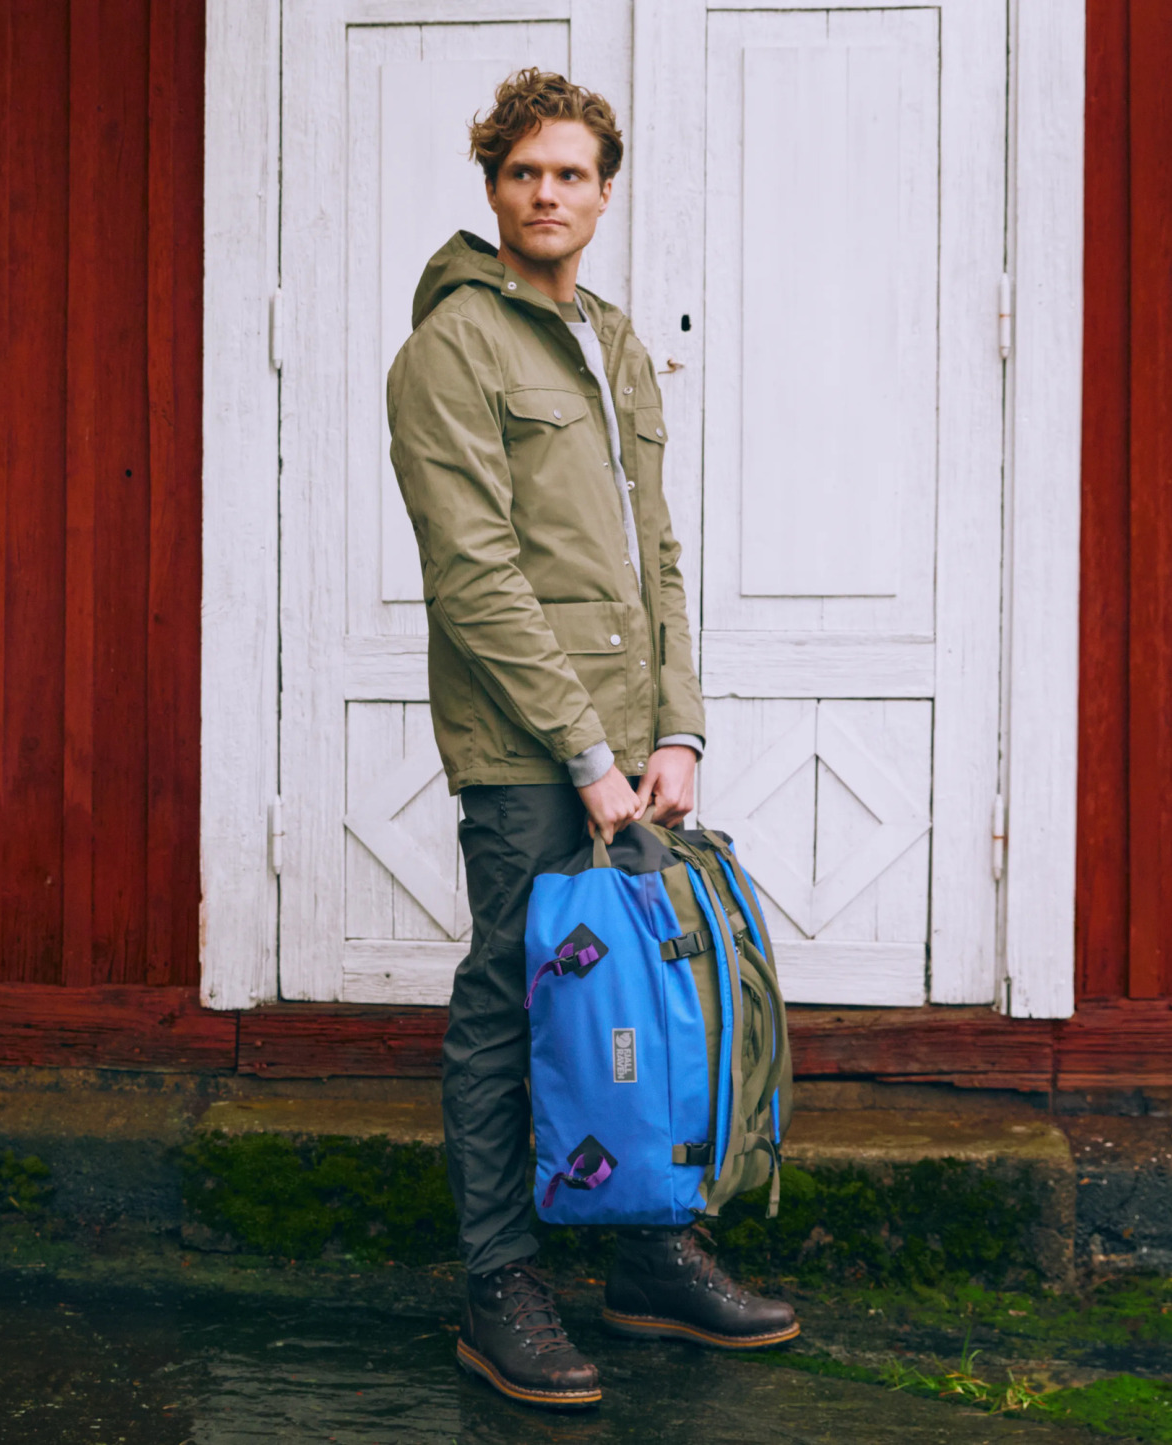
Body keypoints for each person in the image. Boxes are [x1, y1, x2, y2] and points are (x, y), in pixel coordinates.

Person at [386, 68, 798, 1411]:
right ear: (492, 186)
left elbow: (652, 552)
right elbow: (476, 575)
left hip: (634, 745)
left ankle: (646, 1256)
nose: (547, 194)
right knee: (514, 1000)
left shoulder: (614, 342)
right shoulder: (451, 348)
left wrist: (675, 725)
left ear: (604, 193)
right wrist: (584, 753)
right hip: (528, 748)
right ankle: (500, 1283)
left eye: (570, 174)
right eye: (524, 172)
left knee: (644, 999)